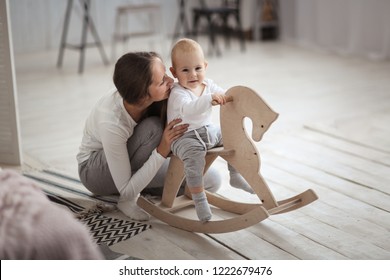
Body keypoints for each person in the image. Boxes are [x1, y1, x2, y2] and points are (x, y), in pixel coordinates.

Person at [77, 52, 221, 221]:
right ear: (143, 96)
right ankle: (126, 201)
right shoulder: (112, 122)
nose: (170, 81)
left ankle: (141, 183)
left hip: (134, 159)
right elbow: (127, 189)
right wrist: (162, 150)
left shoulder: (161, 96)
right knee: (152, 129)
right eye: (162, 81)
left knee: (211, 181)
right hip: (95, 171)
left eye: (166, 74)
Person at [167, 38, 254, 222]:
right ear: (174, 72)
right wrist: (209, 100)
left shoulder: (208, 84)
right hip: (184, 136)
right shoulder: (178, 93)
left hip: (207, 131)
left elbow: (223, 94)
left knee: (232, 137)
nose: (193, 75)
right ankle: (199, 199)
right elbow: (189, 108)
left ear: (205, 66)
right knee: (194, 157)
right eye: (185, 70)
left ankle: (235, 175)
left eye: (198, 68)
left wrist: (226, 97)